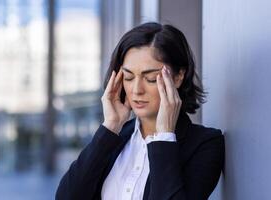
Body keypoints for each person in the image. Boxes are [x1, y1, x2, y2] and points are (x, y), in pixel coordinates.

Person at [55, 22, 225, 200]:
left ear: (178, 77)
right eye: (128, 77)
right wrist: (110, 127)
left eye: (150, 78)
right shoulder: (114, 139)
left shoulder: (205, 144)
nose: (136, 90)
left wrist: (164, 137)